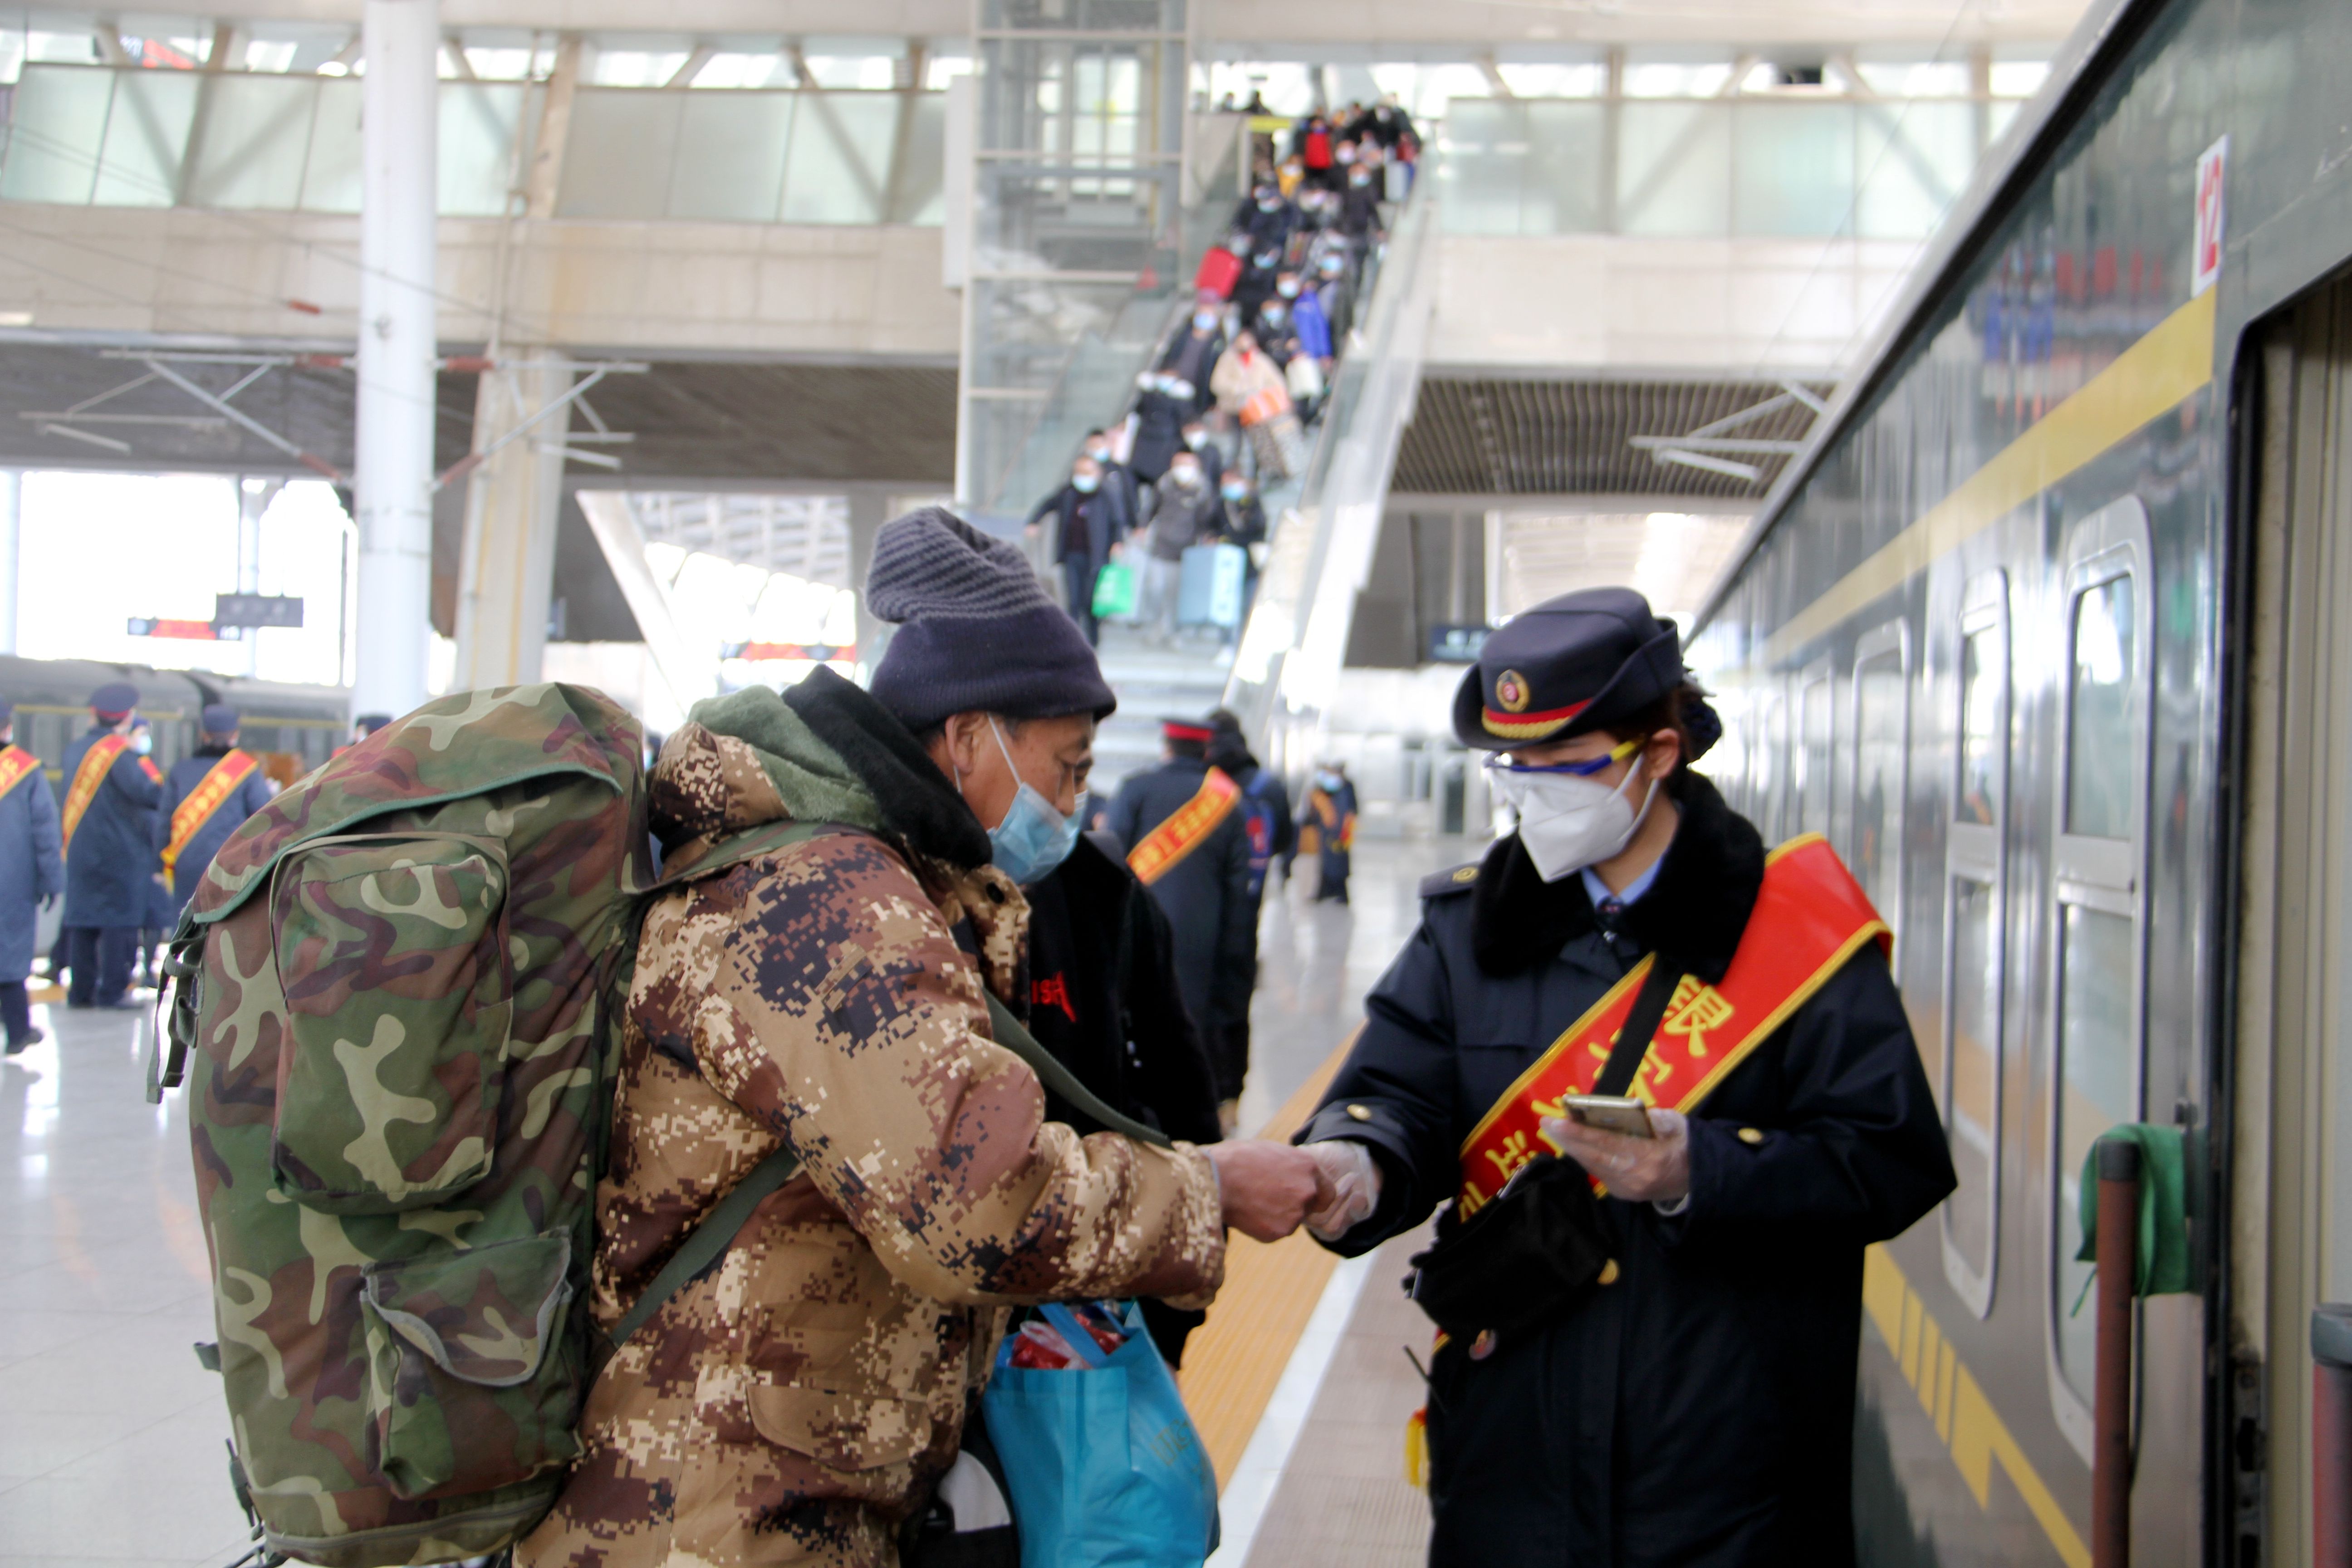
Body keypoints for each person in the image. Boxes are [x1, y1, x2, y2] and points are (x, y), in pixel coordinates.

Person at [520, 508, 1327, 1568]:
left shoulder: (839, 871)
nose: (1073, 804)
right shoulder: (830, 900)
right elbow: (976, 1201)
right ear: (968, 737)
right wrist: (1209, 1190)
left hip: (755, 1484)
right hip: (713, 1516)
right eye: (1067, 767)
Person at [1290, 587, 1957, 1568]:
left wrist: (1700, 1171)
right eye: (1513, 766)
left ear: (1659, 753)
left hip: (1729, 1489)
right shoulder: (1467, 934)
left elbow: (1891, 1160)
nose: (1534, 791)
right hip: (1507, 1475)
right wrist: (1359, 1161)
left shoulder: (1799, 933)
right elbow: (1399, 1094)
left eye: (1565, 764)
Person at [1022, 824, 1224, 1364]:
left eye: (1079, 782)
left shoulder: (1105, 887)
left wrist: (1172, 1319)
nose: (1066, 806)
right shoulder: (900, 898)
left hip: (1092, 1307)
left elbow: (1178, 1080)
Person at [1105, 716, 1256, 1132]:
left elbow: (1110, 866)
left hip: (1136, 933)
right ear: (1206, 752)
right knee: (1190, 1030)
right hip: (1202, 945)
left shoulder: (1135, 789)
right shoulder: (1228, 800)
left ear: (1166, 747)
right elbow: (1239, 896)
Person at [1203, 711, 1292, 1111]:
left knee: (1195, 1000)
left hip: (1200, 911)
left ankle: (1202, 1091)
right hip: (1247, 907)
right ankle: (1231, 1097)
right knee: (1236, 1003)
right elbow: (1283, 840)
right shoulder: (1267, 786)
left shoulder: (1204, 784)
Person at [57, 681, 162, 1009]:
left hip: (80, 851)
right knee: (120, 922)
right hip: (119, 852)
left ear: (94, 713)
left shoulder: (74, 750)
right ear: (127, 717)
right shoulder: (120, 754)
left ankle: (80, 992)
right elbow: (147, 794)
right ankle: (113, 992)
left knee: (82, 921)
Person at [153, 704, 272, 916]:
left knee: (185, 924)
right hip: (231, 865)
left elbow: (164, 822)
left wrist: (158, 864)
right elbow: (263, 819)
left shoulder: (180, 771)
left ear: (203, 735)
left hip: (187, 864)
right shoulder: (248, 772)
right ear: (235, 735)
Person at [0, 702, 62, 1054]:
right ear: (8, 728)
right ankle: (17, 1032)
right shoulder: (25, 770)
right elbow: (45, 831)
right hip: (12, 883)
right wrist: (51, 880)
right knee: (9, 954)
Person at [1025, 453, 1132, 647]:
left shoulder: (1106, 495)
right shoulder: (1068, 493)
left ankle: (1093, 641)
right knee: (1073, 600)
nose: (1082, 477)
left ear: (1097, 473)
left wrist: (1117, 543)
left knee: (1090, 602)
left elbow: (1118, 521)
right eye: (1079, 472)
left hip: (1096, 557)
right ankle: (1073, 641)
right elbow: (1047, 504)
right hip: (1072, 554)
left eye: (1087, 472)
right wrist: (1034, 522)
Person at [1137, 448, 1219, 642]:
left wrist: (1207, 538)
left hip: (1185, 549)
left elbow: (1207, 519)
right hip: (1160, 545)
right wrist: (1142, 527)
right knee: (1155, 588)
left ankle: (1174, 630)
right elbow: (1151, 508)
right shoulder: (1164, 484)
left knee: (1175, 593)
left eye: (1187, 464)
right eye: (1179, 464)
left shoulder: (1203, 490)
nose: (1183, 469)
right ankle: (1158, 624)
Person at [1295, 761, 1356, 902]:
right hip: (1330, 830)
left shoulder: (1343, 787)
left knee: (1339, 862)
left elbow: (1349, 809)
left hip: (1339, 830)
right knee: (1329, 862)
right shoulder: (1329, 789)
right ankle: (1326, 891)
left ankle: (1339, 892)